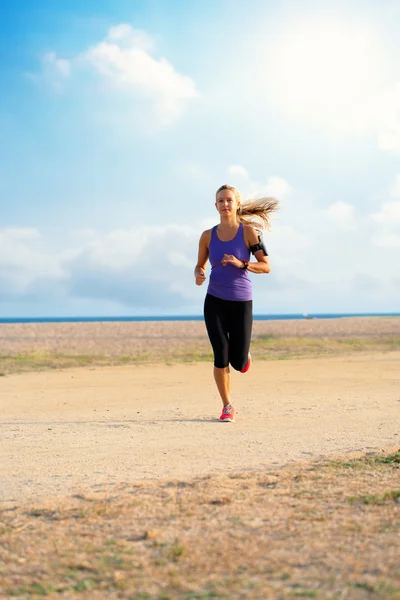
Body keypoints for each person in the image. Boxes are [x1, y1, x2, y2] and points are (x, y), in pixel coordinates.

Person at [194, 184, 279, 422]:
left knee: (238, 362)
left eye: (229, 200)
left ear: (237, 204)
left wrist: (242, 264)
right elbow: (199, 265)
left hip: (241, 301)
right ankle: (227, 406)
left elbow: (266, 266)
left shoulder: (249, 233)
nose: (225, 204)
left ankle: (244, 357)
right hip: (214, 301)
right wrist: (199, 274)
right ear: (216, 205)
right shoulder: (207, 236)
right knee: (220, 355)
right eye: (221, 201)